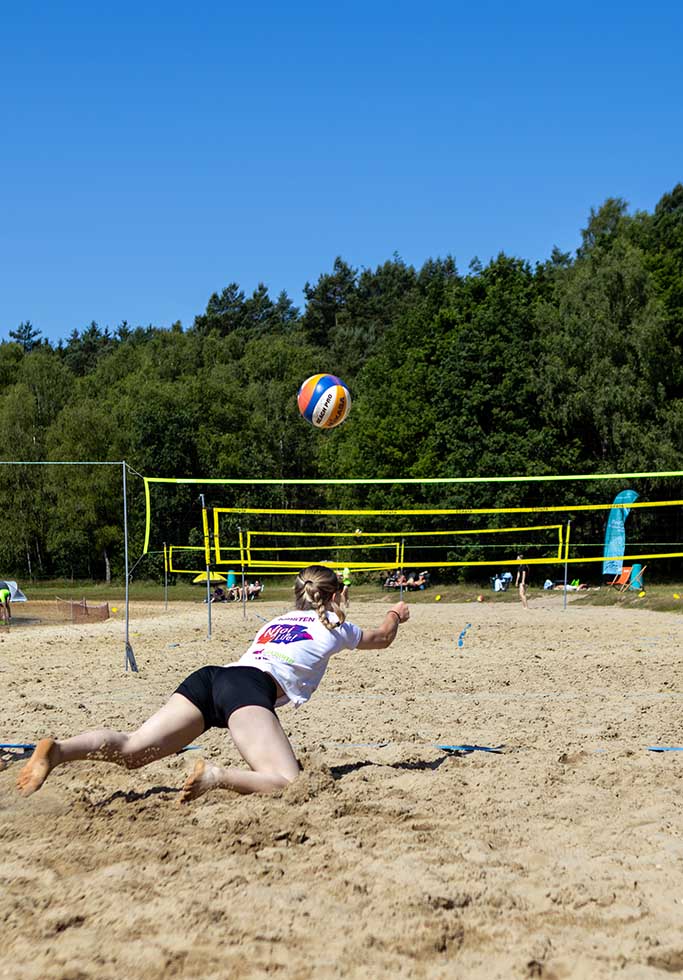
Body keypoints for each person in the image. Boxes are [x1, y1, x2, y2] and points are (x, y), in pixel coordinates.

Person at [16, 565, 410, 803]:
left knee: (132, 749)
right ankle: (215, 777)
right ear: (337, 595)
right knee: (287, 781)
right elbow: (383, 637)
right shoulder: (335, 624)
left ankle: (60, 751)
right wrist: (395, 611)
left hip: (211, 678)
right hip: (247, 690)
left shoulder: (276, 622)